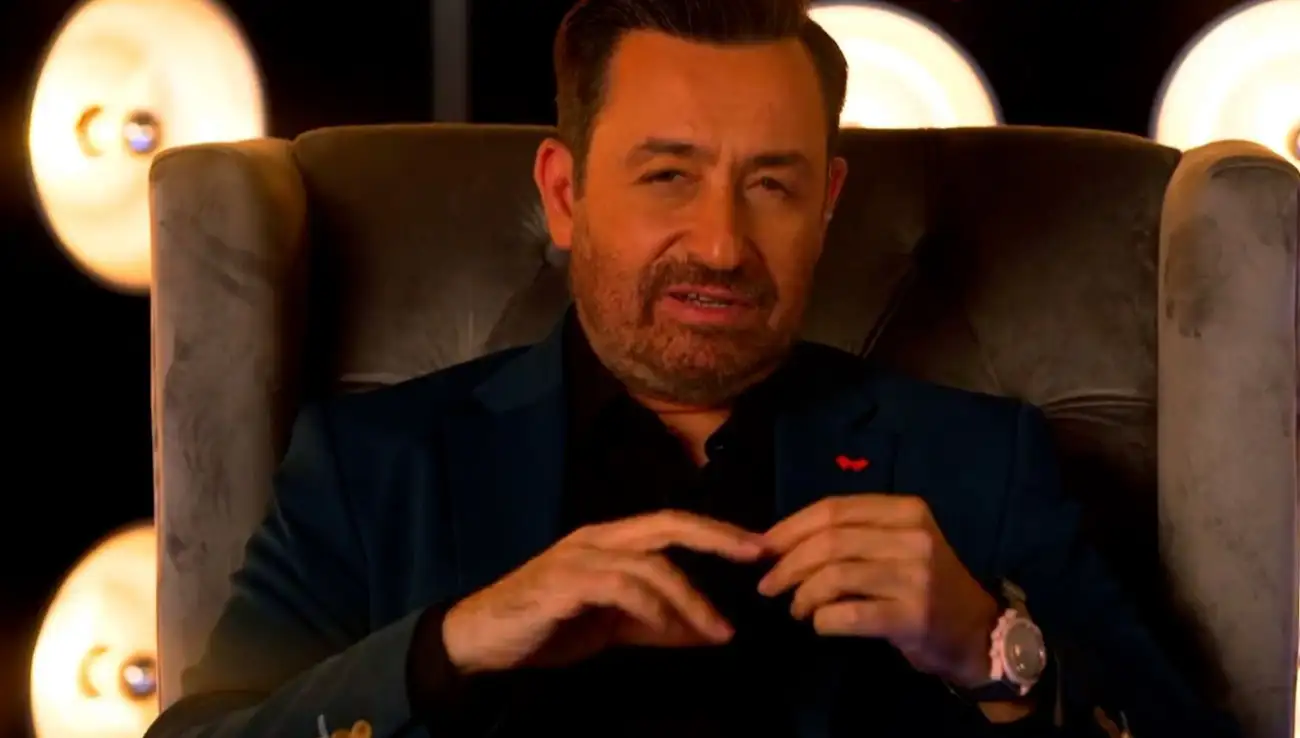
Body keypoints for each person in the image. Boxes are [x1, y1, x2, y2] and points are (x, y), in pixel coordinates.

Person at [145, 1, 1237, 737]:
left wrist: (992, 650)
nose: (720, 244)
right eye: (668, 176)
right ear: (565, 195)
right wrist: (448, 647)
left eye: (771, 185)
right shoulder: (373, 463)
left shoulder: (977, 459)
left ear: (826, 205)